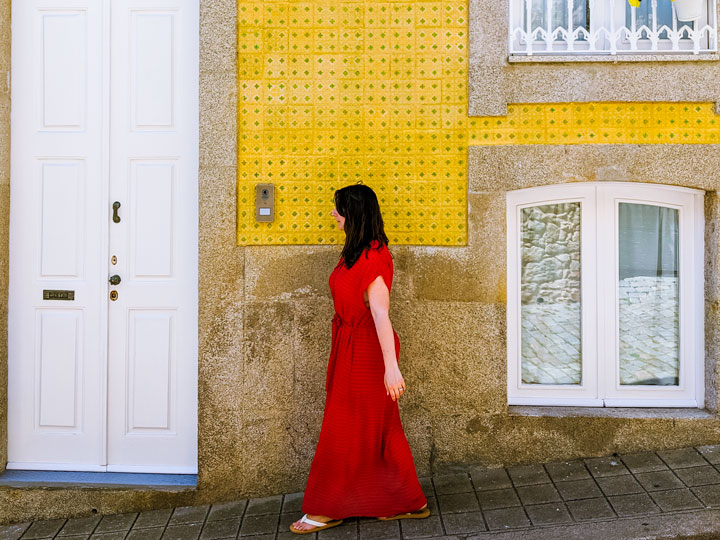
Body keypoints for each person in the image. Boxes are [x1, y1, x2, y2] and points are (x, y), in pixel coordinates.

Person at [290, 183, 429, 534]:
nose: (332, 214)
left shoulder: (375, 257)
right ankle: (407, 501)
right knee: (379, 428)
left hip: (367, 352)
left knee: (345, 427)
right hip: (350, 345)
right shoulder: (353, 251)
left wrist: (391, 369)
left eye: (338, 209)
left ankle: (326, 509)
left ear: (353, 214)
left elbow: (381, 315)